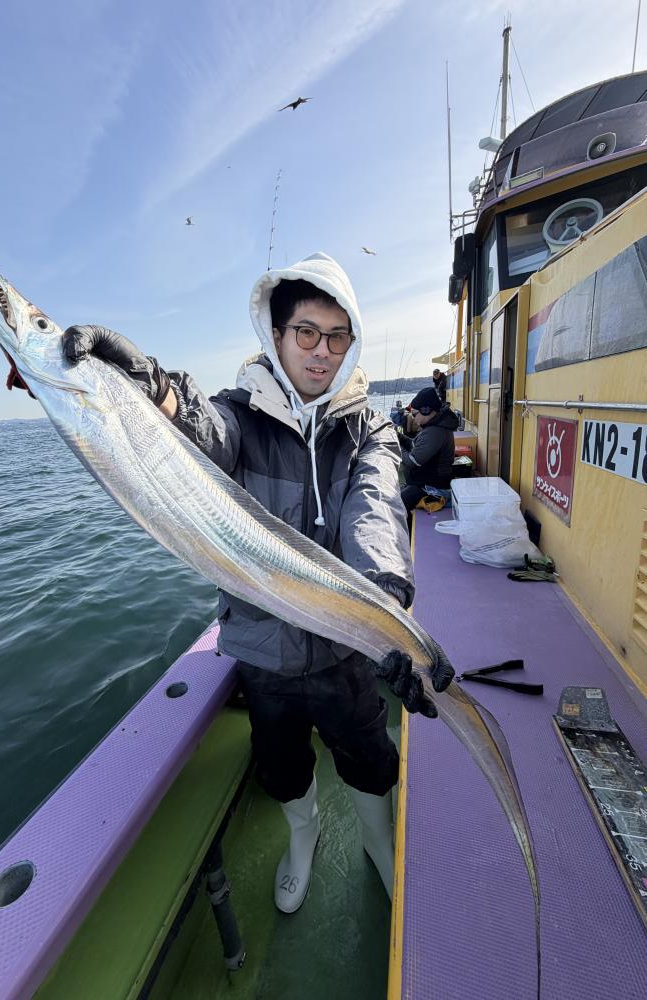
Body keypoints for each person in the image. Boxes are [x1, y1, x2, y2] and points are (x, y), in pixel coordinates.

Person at [58, 252, 453, 914]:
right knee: (282, 765)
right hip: (264, 654)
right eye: (307, 332)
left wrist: (385, 608)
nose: (321, 351)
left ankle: (378, 842)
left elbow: (376, 513)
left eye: (337, 337)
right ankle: (303, 836)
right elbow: (199, 433)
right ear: (276, 334)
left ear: (351, 342)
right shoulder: (239, 415)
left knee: (368, 755)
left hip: (346, 650)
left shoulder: (369, 428)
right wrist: (149, 382)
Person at [400, 386, 459, 515]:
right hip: (425, 482)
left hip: (433, 487)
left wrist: (396, 448)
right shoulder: (433, 426)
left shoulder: (434, 432)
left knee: (395, 504)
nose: (413, 418)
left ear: (426, 410)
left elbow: (413, 461)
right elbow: (415, 445)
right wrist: (399, 438)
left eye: (414, 414)